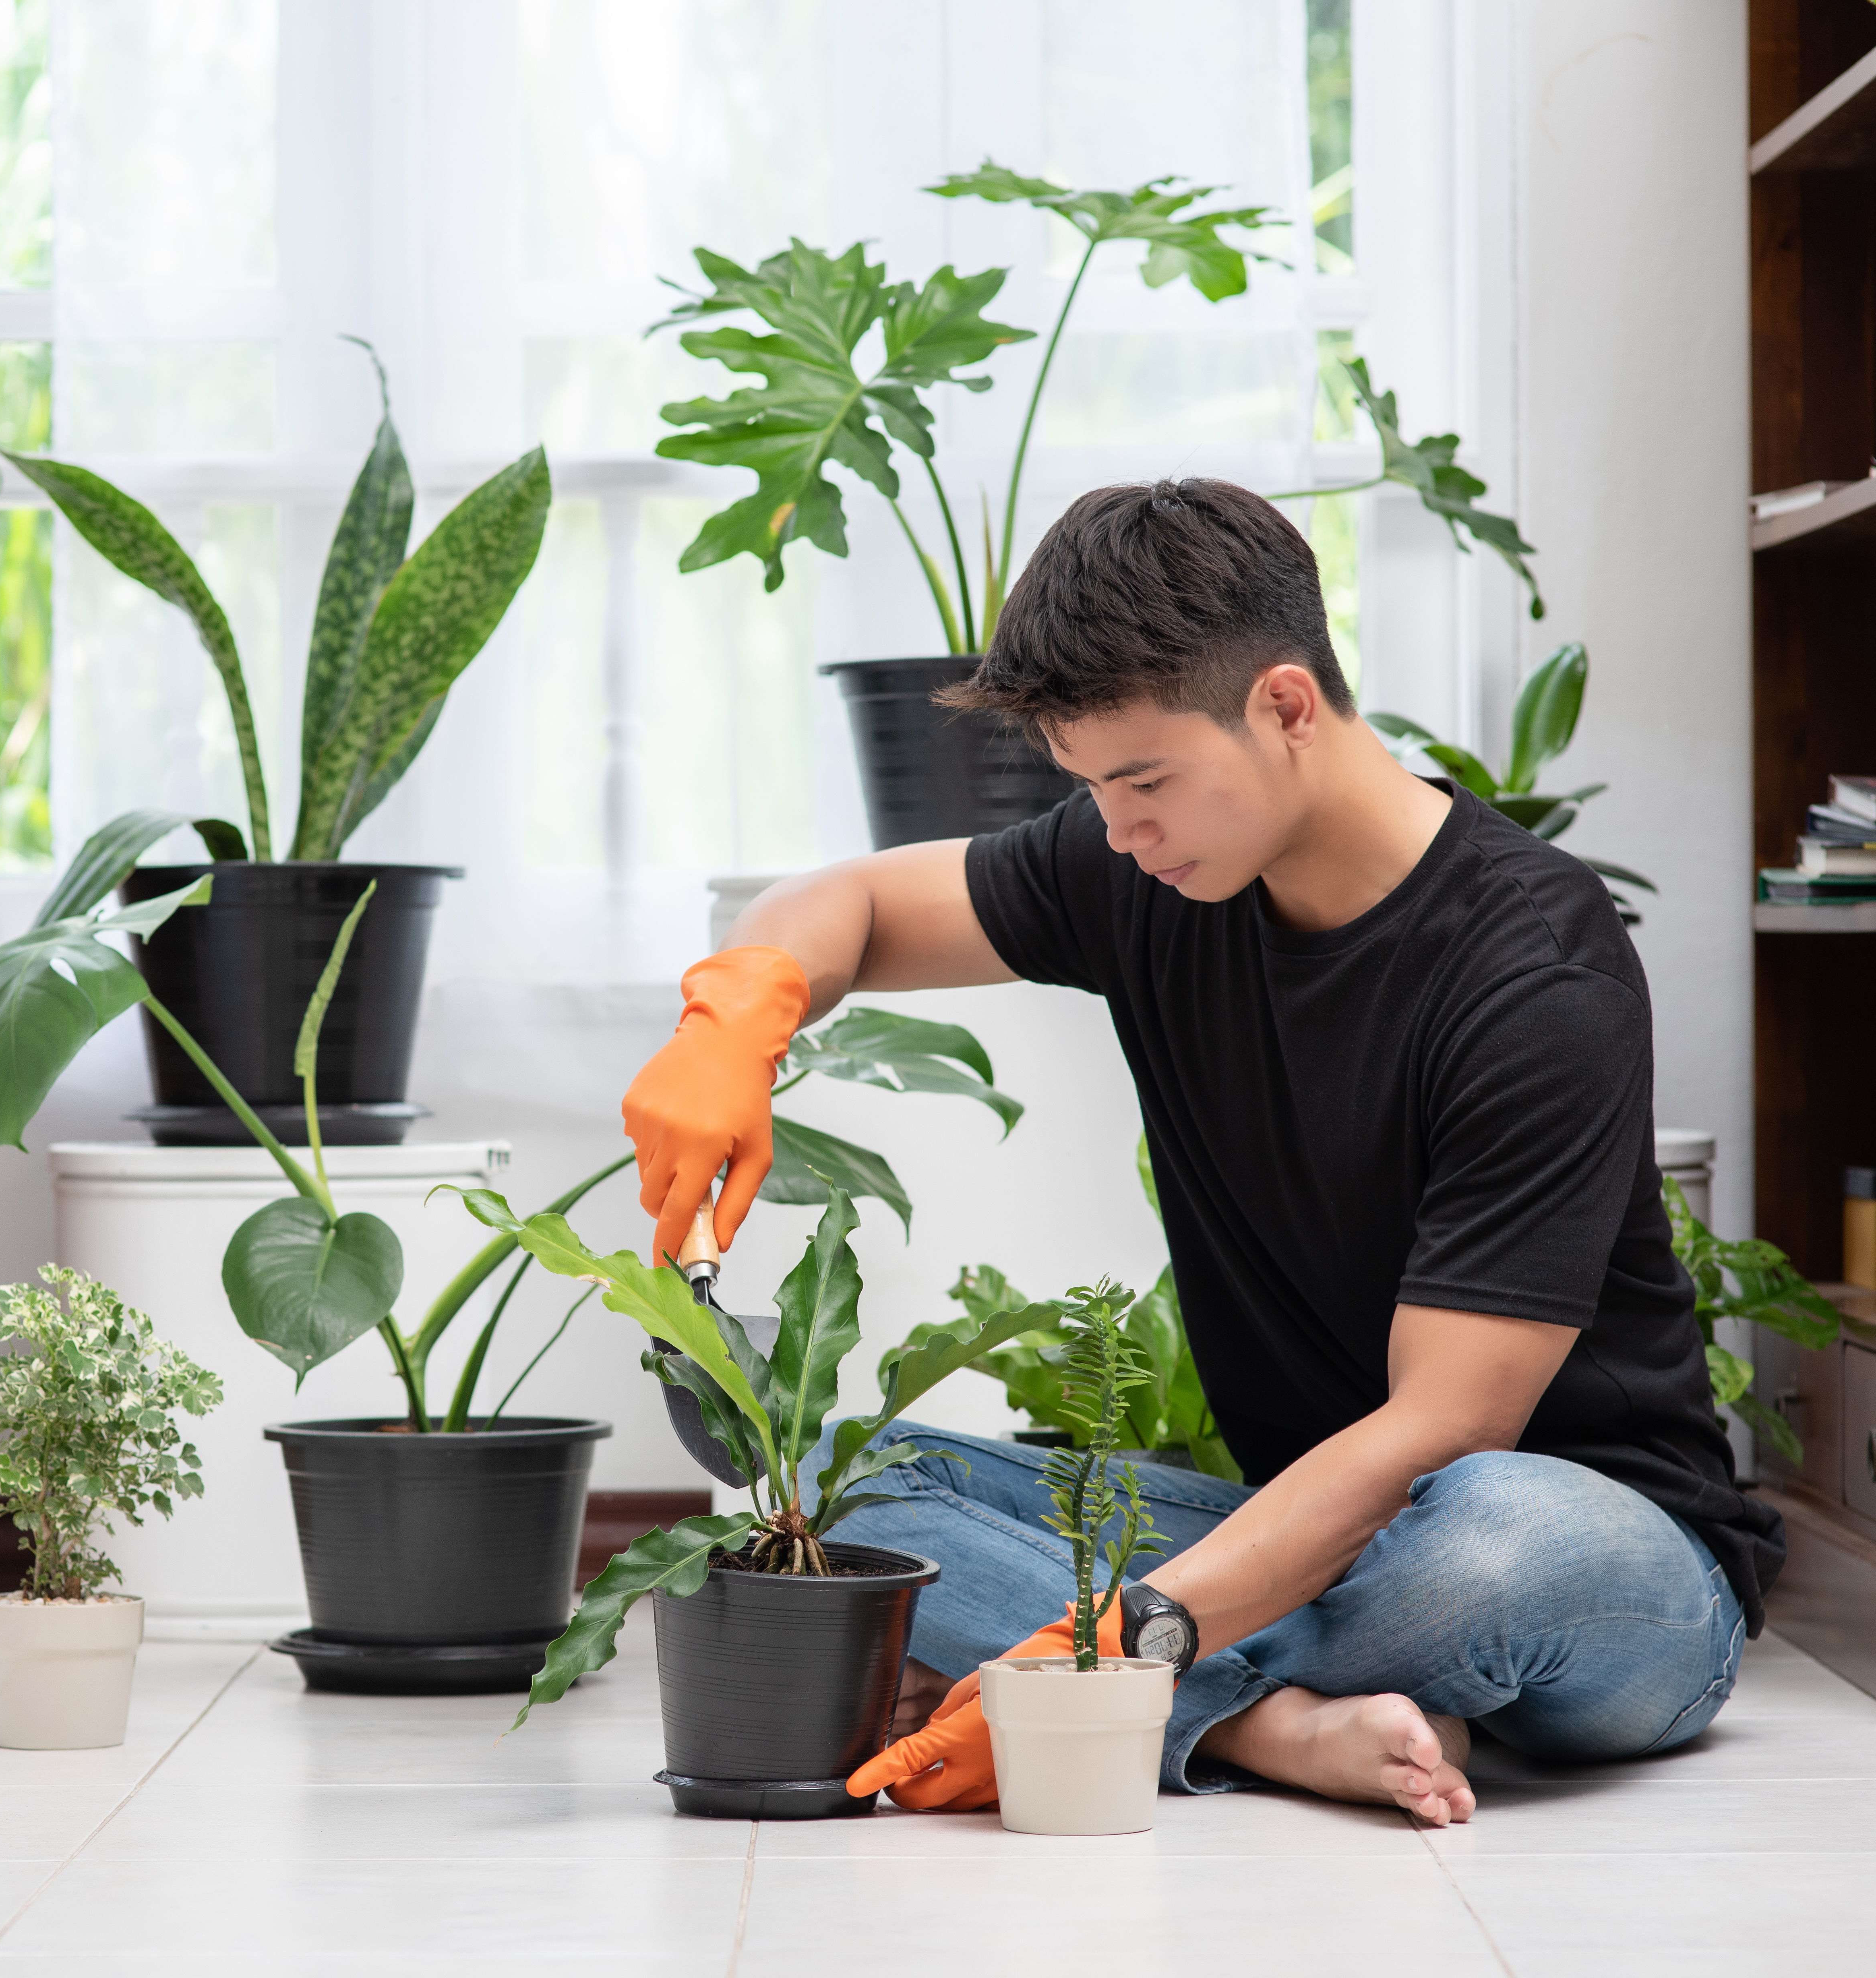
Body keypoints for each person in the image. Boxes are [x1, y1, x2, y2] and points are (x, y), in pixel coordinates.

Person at [617, 479, 1777, 1825]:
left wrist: (1105, 1648)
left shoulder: (1532, 969)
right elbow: (860, 903)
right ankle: (1275, 1729)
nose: (1116, 831)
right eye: (1092, 789)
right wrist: (737, 1013)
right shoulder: (1153, 866)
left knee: (1482, 1535)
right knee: (837, 1478)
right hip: (1297, 1532)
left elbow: (1444, 1426)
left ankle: (1143, 1694)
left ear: (1286, 706)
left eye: (1145, 781)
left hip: (1601, 1569)